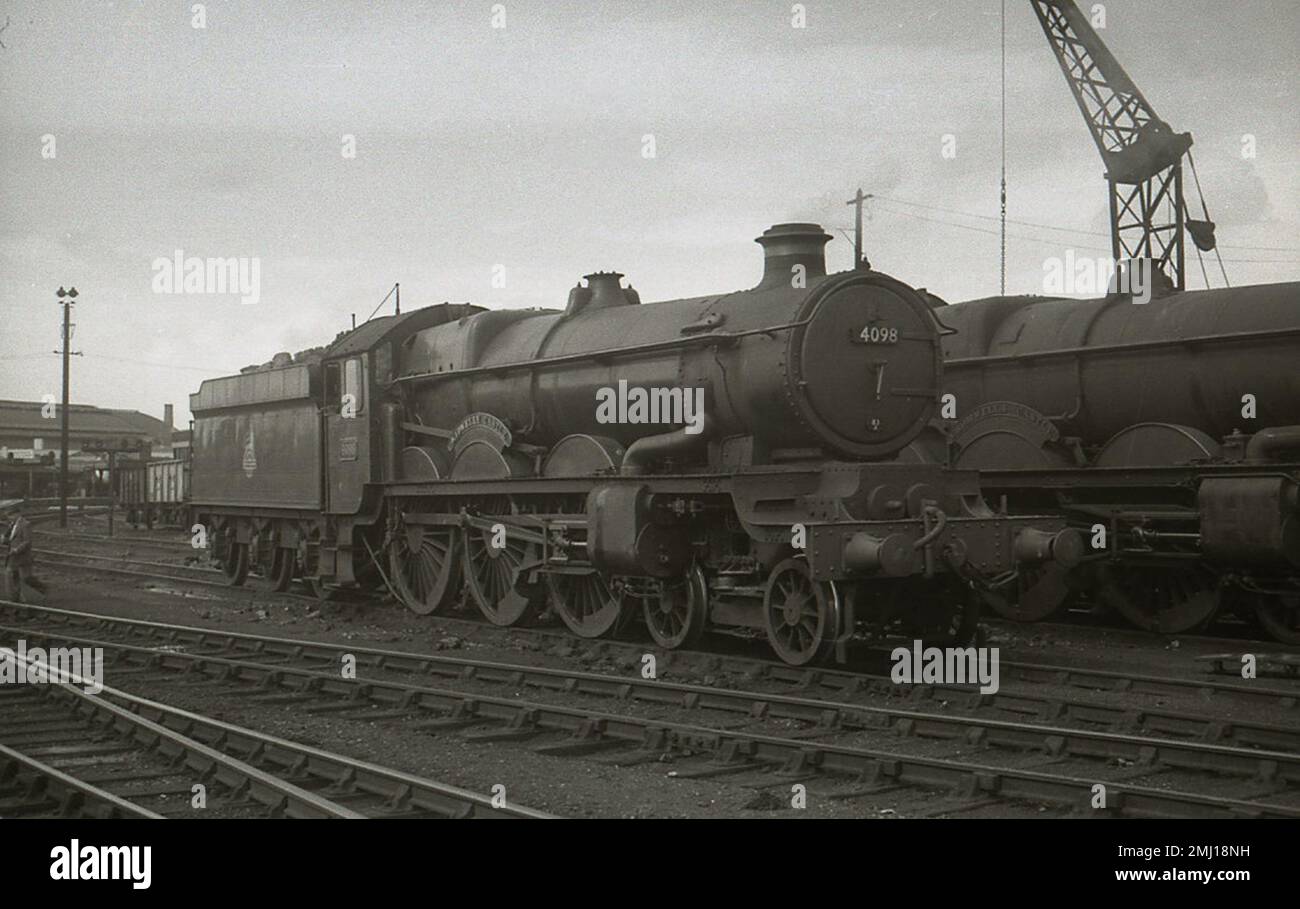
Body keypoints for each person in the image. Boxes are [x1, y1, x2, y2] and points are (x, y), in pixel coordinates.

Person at [4, 511, 47, 602]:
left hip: (22, 556)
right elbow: (10, 539)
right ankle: (15, 599)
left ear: (17, 514)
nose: (9, 518)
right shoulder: (12, 525)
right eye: (8, 516)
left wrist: (17, 549)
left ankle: (42, 588)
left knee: (26, 578)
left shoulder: (25, 524)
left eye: (10, 515)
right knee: (12, 576)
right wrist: (4, 540)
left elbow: (27, 541)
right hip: (12, 557)